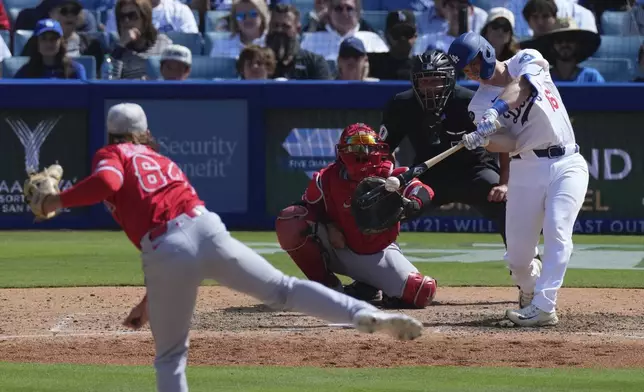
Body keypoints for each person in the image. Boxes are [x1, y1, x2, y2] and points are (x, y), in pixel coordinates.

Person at [32, 103, 424, 392]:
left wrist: (54, 203)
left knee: (170, 358)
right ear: (143, 132)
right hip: (206, 226)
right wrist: (149, 303)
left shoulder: (113, 154)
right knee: (282, 291)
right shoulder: (159, 159)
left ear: (111, 134)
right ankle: (360, 313)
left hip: (166, 247)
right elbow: (179, 227)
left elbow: (108, 186)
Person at [448, 32, 589, 327]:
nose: (471, 72)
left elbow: (521, 87)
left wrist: (495, 112)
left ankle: (544, 306)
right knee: (518, 259)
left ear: (485, 52)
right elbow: (510, 143)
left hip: (567, 161)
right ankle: (529, 288)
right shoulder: (477, 105)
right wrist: (484, 140)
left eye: (473, 63)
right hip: (526, 169)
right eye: (465, 69)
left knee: (557, 230)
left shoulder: (526, 58)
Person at [275, 123, 437, 308]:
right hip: (339, 248)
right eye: (354, 147)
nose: (361, 153)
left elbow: (423, 190)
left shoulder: (391, 175)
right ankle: (327, 288)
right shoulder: (326, 178)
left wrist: (414, 203)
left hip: (379, 252)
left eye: (367, 147)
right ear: (342, 151)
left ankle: (368, 286)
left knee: (421, 291)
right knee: (290, 220)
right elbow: (304, 207)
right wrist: (328, 224)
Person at [379, 50, 510, 247]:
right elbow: (383, 150)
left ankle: (529, 264)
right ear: (414, 82)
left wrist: (505, 183)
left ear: (449, 80)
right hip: (428, 175)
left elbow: (505, 142)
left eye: (435, 81)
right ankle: (375, 265)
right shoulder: (401, 105)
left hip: (475, 172)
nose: (430, 88)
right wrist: (387, 181)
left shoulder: (472, 102)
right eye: (424, 82)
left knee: (509, 207)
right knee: (383, 211)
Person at [520, 18, 604, 83]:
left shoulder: (592, 77)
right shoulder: (542, 78)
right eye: (559, 41)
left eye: (569, 40)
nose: (564, 44)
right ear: (552, 47)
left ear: (578, 45)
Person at [108, 0, 173, 80]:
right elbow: (110, 80)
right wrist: (121, 45)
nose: (126, 21)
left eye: (132, 16)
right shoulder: (116, 49)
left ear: (145, 19)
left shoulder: (163, 44)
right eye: (122, 17)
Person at [266, 3, 331, 80]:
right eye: (275, 25)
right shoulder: (257, 63)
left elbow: (326, 91)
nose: (279, 30)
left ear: (298, 29)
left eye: (286, 26)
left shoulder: (314, 63)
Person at [15, 18, 87, 80]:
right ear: (36, 43)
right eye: (43, 39)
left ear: (61, 43)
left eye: (53, 39)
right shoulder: (25, 72)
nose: (48, 44)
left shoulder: (75, 70)